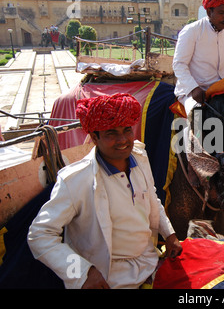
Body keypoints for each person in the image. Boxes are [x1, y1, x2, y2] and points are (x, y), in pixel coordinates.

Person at [27, 93, 182, 289]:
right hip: (108, 279)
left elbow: (151, 197)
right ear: (94, 137)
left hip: (149, 264)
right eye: (111, 133)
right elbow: (40, 235)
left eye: (127, 130)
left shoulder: (140, 158)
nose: (123, 140)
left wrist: (169, 234)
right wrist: (83, 273)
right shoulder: (75, 180)